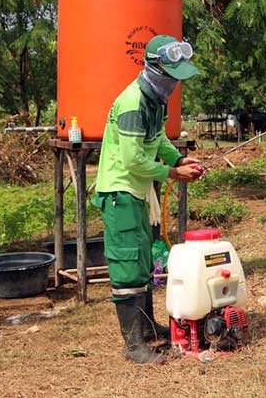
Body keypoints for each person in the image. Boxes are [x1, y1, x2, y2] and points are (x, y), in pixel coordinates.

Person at [93, 35, 203, 364]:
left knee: (143, 260)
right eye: (172, 77)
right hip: (121, 190)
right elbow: (132, 160)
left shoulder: (156, 99)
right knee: (127, 264)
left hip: (139, 191)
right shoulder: (132, 103)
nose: (175, 84)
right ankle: (133, 345)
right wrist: (172, 174)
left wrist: (178, 159)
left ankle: (148, 329)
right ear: (154, 70)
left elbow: (157, 141)